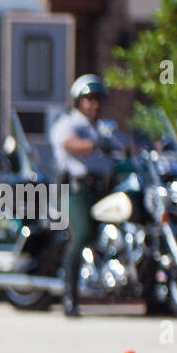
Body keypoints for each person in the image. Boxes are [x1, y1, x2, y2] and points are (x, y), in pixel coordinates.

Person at [49, 74, 128, 318]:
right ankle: (70, 296)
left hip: (103, 189)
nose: (94, 105)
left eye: (97, 100)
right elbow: (68, 143)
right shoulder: (70, 123)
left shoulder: (105, 127)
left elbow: (127, 144)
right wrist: (95, 144)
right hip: (77, 190)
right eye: (89, 99)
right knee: (82, 234)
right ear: (78, 101)